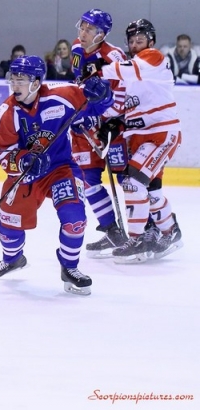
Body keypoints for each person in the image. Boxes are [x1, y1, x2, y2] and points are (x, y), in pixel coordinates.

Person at [0, 55, 114, 295]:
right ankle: (13, 259)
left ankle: (70, 268)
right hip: (26, 175)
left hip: (60, 168)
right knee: (9, 225)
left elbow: (97, 106)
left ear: (36, 82)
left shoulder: (62, 95)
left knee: (74, 218)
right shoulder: (5, 114)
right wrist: (23, 161)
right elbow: (1, 152)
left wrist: (104, 95)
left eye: (21, 79)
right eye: (13, 79)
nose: (15, 85)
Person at [88, 19, 183, 263]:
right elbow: (129, 108)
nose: (134, 44)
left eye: (139, 39)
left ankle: (137, 237)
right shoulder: (132, 77)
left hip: (160, 134)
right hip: (140, 138)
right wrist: (116, 122)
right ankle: (170, 232)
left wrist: (98, 69)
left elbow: (124, 69)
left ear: (150, 41)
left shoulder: (153, 58)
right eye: (131, 41)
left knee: (132, 182)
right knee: (152, 191)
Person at [69, 9, 130, 258]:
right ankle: (112, 230)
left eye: (89, 29)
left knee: (128, 180)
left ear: (101, 34)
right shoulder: (75, 49)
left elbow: (124, 98)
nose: (82, 33)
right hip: (87, 125)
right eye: (81, 27)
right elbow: (78, 85)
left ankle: (147, 231)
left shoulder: (114, 56)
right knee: (88, 177)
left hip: (113, 126)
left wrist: (104, 119)